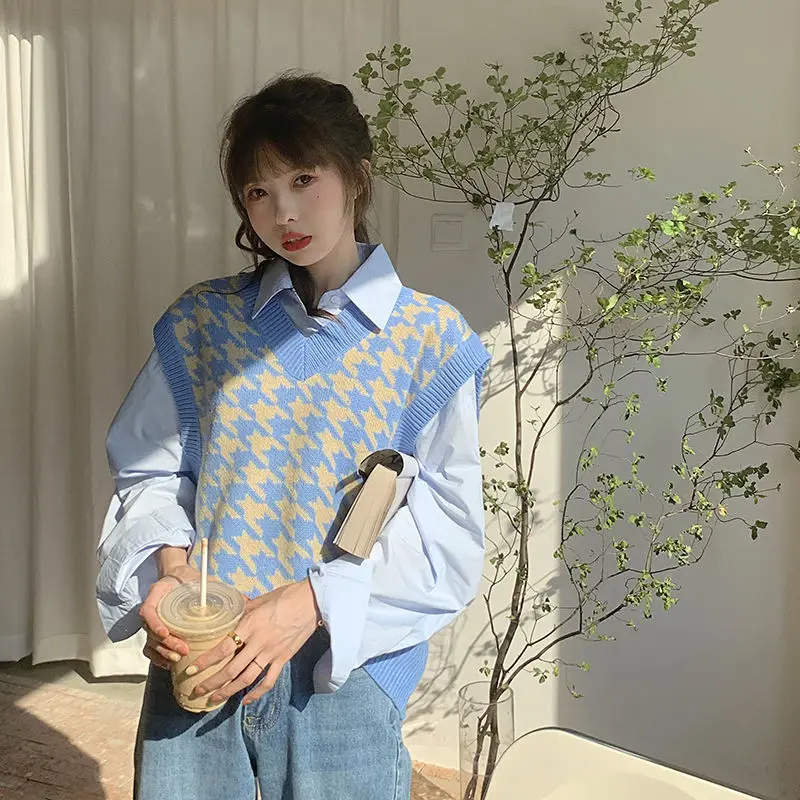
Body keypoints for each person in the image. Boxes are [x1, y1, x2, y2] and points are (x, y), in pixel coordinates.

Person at [96, 72, 490, 800]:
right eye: (259, 191)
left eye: (304, 179)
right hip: (202, 655)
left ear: (356, 176)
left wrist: (308, 602)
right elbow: (149, 469)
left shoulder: (431, 343)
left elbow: (448, 535)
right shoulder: (203, 323)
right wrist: (170, 573)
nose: (284, 212)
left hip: (341, 678)